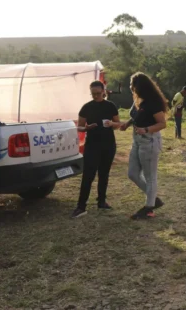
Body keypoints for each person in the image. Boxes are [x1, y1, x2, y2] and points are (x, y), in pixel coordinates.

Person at [121, 72, 168, 220]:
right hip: (137, 140)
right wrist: (127, 124)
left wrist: (146, 129)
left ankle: (149, 208)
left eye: (132, 84)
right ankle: (153, 198)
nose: (130, 87)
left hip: (149, 140)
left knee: (150, 177)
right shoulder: (138, 100)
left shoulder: (153, 102)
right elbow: (135, 116)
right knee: (133, 174)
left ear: (140, 86)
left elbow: (162, 123)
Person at [71, 81, 120, 218]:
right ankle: (81, 206)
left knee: (104, 174)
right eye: (93, 94)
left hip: (108, 145)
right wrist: (85, 128)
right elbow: (79, 126)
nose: (96, 96)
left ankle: (102, 201)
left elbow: (118, 124)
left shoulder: (110, 106)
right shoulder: (86, 107)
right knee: (88, 175)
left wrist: (111, 124)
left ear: (104, 91)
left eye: (98, 94)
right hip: (92, 145)